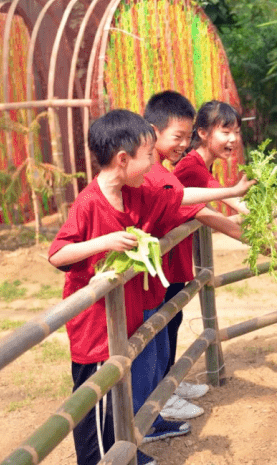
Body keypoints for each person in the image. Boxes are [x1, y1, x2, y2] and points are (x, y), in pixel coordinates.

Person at [148, 96, 277, 421]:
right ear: (204, 132)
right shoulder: (189, 167)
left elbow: (233, 202)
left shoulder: (196, 166)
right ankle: (161, 394)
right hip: (163, 264)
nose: (232, 139)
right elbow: (214, 214)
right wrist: (263, 241)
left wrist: (274, 228)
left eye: (235, 131)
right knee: (161, 327)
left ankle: (168, 385)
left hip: (174, 260)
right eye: (224, 131)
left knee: (171, 322)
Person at [48, 109, 168, 465]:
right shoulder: (89, 202)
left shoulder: (133, 194)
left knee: (121, 394)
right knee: (94, 404)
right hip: (95, 328)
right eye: (148, 156)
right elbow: (57, 254)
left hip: (120, 320)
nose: (151, 164)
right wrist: (105, 242)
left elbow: (175, 196)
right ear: (122, 159)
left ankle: (124, 453)